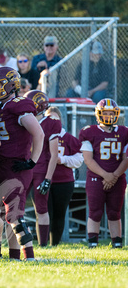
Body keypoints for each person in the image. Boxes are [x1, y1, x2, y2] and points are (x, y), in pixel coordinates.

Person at [0, 66, 44, 260]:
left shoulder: (19, 105)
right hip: (1, 164)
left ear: (11, 85)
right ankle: (14, 256)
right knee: (6, 214)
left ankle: (29, 256)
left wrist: (32, 162)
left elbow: (39, 133)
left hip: (17, 165)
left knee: (14, 213)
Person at [79, 99, 128, 249]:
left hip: (117, 177)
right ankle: (93, 243)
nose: (108, 116)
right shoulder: (89, 132)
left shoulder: (124, 132)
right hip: (96, 177)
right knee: (95, 211)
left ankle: (117, 243)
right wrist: (106, 175)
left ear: (116, 114)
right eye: (105, 113)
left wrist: (113, 175)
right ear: (98, 114)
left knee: (115, 211)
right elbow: (88, 159)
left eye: (111, 113)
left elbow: (127, 158)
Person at [24, 90, 61, 247]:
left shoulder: (51, 123)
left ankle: (42, 244)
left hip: (40, 169)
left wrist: (48, 179)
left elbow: (54, 154)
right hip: (24, 168)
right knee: (14, 205)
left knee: (41, 207)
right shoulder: (24, 120)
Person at [45, 106, 83, 246]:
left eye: (55, 118)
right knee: (45, 213)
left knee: (59, 214)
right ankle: (44, 243)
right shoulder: (41, 135)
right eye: (49, 118)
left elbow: (79, 159)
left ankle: (54, 244)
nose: (53, 121)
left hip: (64, 181)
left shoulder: (68, 138)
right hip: (45, 180)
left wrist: (63, 159)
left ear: (60, 120)